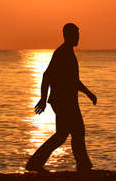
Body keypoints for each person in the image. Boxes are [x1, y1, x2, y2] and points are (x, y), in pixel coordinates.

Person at [26, 23, 97, 173]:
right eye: (76, 35)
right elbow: (47, 75)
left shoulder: (68, 53)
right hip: (63, 101)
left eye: (78, 34)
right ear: (69, 35)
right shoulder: (62, 53)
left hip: (67, 101)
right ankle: (83, 165)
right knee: (77, 131)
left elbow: (73, 80)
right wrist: (43, 99)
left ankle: (35, 163)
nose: (78, 38)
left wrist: (88, 93)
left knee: (62, 135)